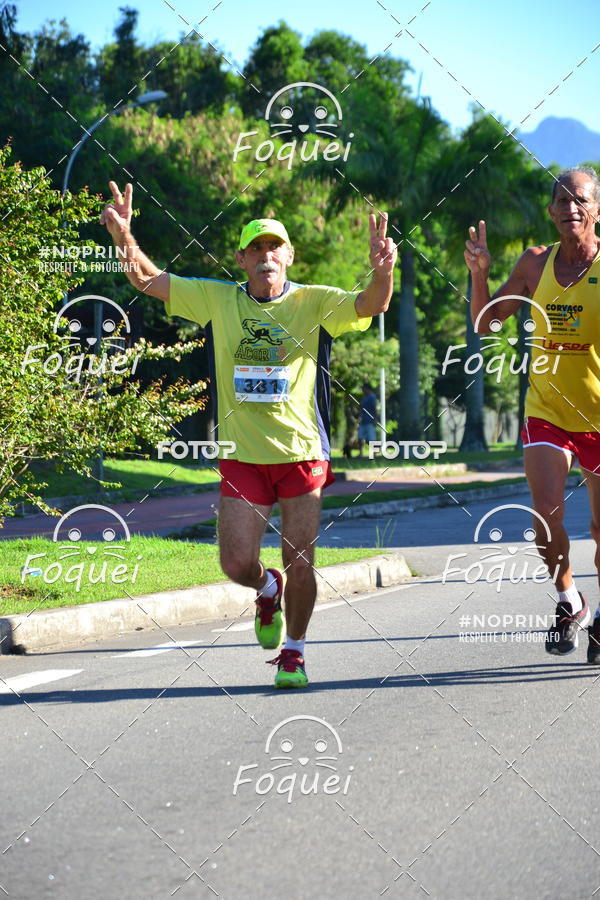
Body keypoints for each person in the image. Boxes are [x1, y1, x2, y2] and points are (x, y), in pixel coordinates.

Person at [101, 181, 397, 687]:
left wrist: (383, 270)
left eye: (274, 246)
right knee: (236, 562)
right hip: (242, 456)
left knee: (301, 557)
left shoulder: (315, 303)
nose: (267, 255)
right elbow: (148, 281)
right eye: (257, 248)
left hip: (302, 452)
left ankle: (295, 651)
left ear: (289, 256)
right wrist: (124, 236)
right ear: (241, 259)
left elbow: (371, 305)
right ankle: (265, 589)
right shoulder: (218, 300)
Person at [465, 166, 600, 662]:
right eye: (562, 201)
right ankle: (569, 602)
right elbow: (485, 321)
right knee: (546, 516)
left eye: (581, 201)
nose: (571, 209)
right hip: (546, 412)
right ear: (550, 211)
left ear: (597, 210)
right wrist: (479, 274)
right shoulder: (534, 264)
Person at [357, 382, 377, 456]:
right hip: (363, 421)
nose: (362, 390)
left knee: (371, 439)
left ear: (367, 389)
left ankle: (374, 453)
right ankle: (360, 453)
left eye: (363, 388)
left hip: (370, 421)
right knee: (360, 437)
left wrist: (375, 419)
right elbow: (361, 408)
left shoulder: (372, 397)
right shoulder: (364, 398)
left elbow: (374, 408)